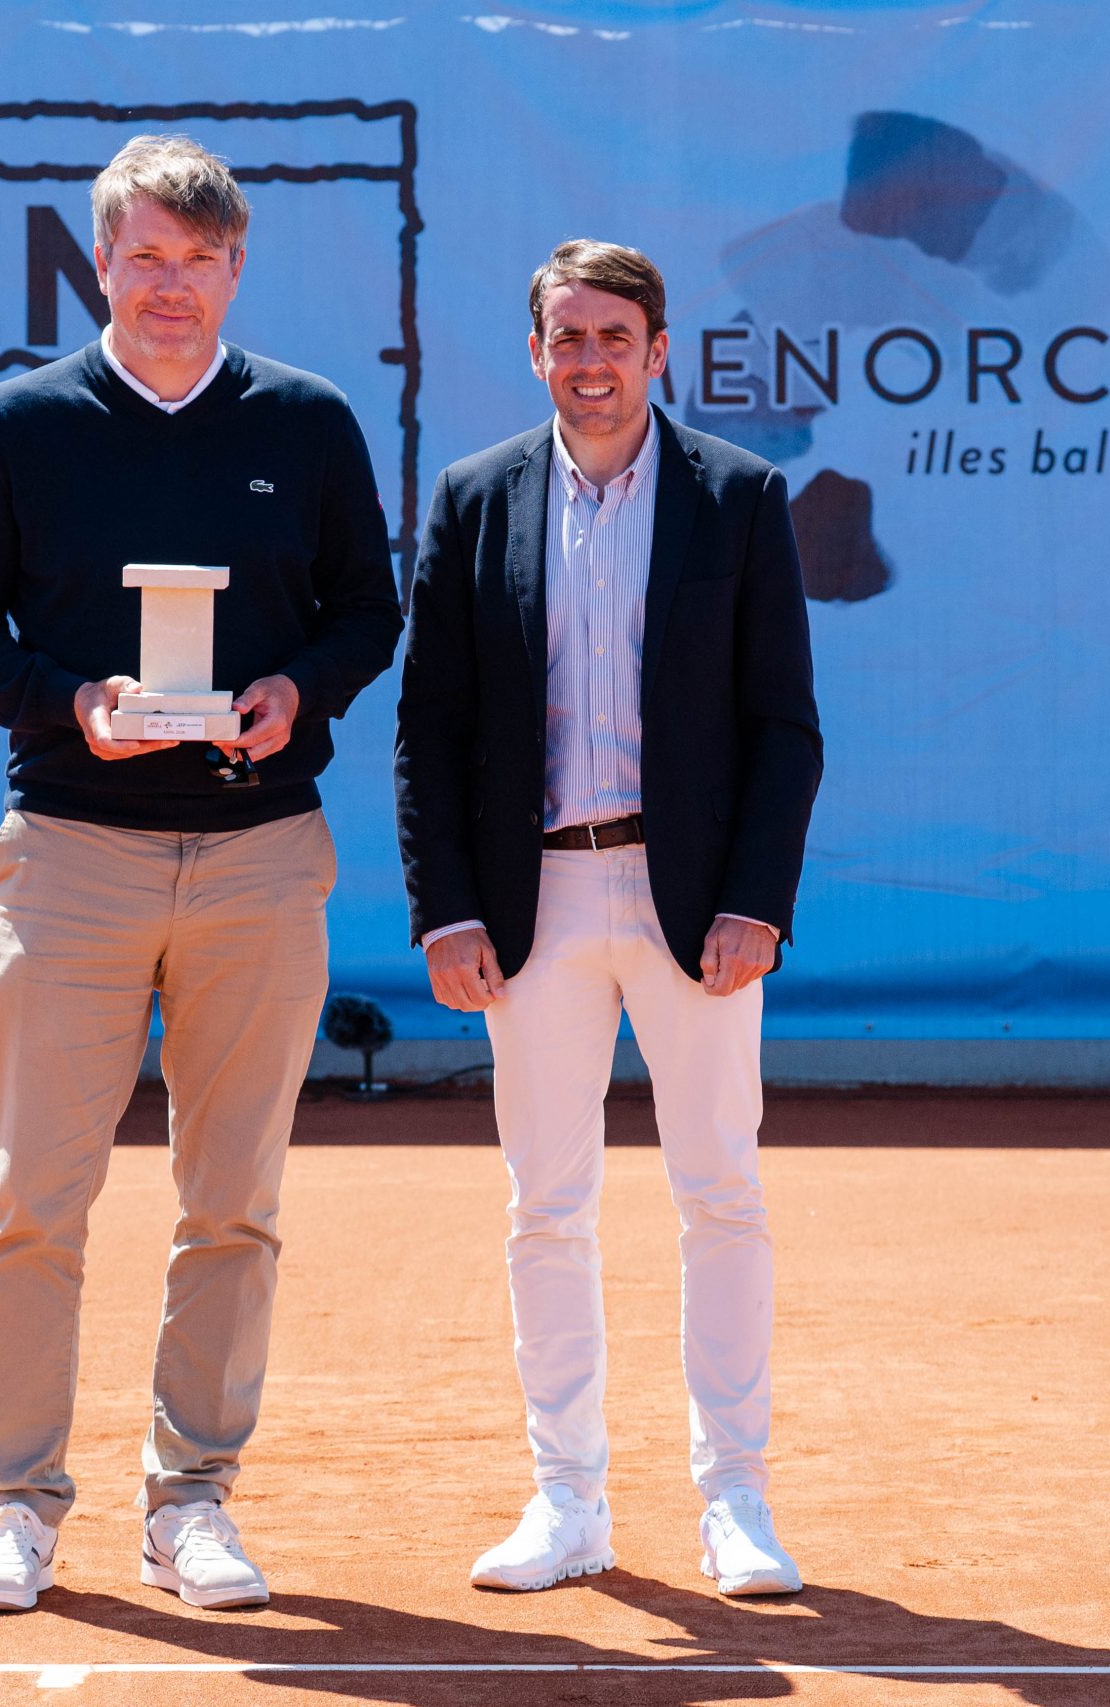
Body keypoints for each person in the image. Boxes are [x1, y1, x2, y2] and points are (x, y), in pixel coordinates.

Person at [0, 134, 401, 1613]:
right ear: (100, 264)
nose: (171, 285)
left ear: (235, 269)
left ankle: (193, 1502)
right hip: (71, 857)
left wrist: (292, 695)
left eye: (199, 261)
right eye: (146, 258)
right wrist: (72, 705)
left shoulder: (309, 425)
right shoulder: (16, 424)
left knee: (233, 1204)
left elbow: (367, 617)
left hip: (261, 859)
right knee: (33, 1203)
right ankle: (18, 1503)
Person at [394, 240, 822, 1597]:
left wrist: (757, 898)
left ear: (658, 350)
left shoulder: (740, 497)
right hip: (537, 900)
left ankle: (734, 1503)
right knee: (546, 1205)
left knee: (721, 1192)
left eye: (614, 338)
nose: (590, 361)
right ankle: (568, 1503)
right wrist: (447, 908)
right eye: (567, 338)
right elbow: (431, 729)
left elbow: (783, 727)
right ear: (536, 352)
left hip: (696, 902)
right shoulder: (474, 500)